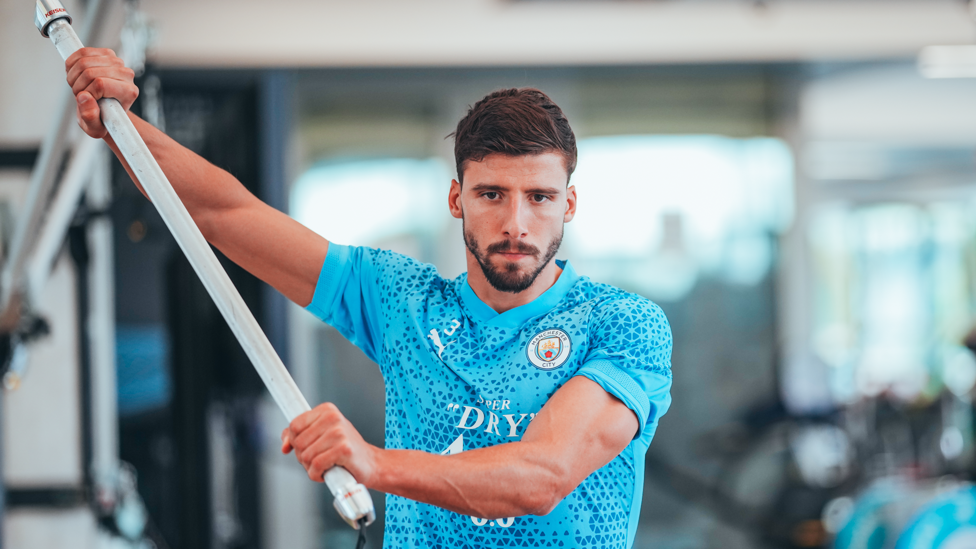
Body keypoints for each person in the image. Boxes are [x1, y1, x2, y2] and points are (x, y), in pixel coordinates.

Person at [64, 48, 673, 548]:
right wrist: (120, 124)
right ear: (458, 199)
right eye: (492, 194)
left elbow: (543, 476)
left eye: (538, 197)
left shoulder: (622, 324)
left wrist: (373, 463)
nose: (516, 222)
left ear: (567, 205)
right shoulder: (402, 299)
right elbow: (221, 212)